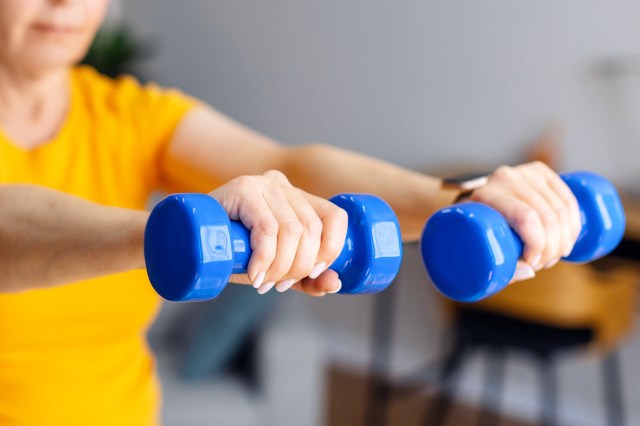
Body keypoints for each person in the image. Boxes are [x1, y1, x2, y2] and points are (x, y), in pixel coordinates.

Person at [0, 0, 582, 424]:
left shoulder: (128, 115)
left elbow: (290, 165)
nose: (66, 3)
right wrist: (162, 236)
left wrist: (458, 200)